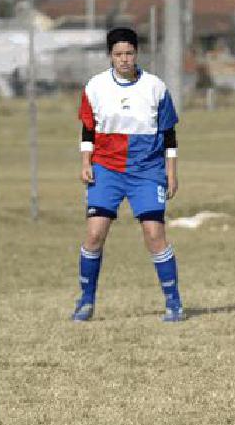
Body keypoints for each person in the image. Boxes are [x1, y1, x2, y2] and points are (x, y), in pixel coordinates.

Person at [72, 27, 183, 322]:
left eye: (129, 53)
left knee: (154, 234)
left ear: (137, 54)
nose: (124, 59)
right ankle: (86, 300)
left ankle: (173, 302)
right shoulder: (95, 87)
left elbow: (168, 133)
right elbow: (88, 129)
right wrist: (86, 161)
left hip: (147, 170)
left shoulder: (155, 87)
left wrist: (171, 172)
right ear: (110, 56)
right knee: (95, 234)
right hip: (106, 168)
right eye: (118, 54)